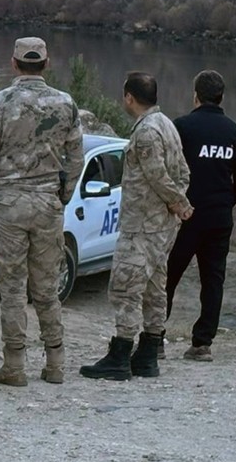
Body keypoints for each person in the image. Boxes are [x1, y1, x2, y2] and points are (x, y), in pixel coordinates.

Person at [0, 36, 83, 386]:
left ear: (14, 63)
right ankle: (55, 363)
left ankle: (14, 365)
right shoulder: (65, 103)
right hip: (47, 201)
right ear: (46, 64)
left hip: (8, 201)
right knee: (47, 287)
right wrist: (63, 194)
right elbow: (76, 158)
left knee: (11, 287)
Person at [81, 72, 192, 381]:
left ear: (129, 97)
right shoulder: (167, 125)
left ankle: (120, 352)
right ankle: (148, 354)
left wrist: (177, 203)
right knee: (155, 287)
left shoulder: (145, 132)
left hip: (142, 224)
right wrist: (177, 202)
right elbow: (183, 172)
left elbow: (157, 175)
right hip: (161, 227)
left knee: (125, 287)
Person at [166, 70, 236, 362]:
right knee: (213, 280)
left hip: (185, 215)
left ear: (196, 95)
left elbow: (166, 170)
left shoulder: (182, 127)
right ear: (222, 97)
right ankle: (202, 343)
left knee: (167, 275)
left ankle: (154, 337)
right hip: (219, 218)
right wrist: (225, 201)